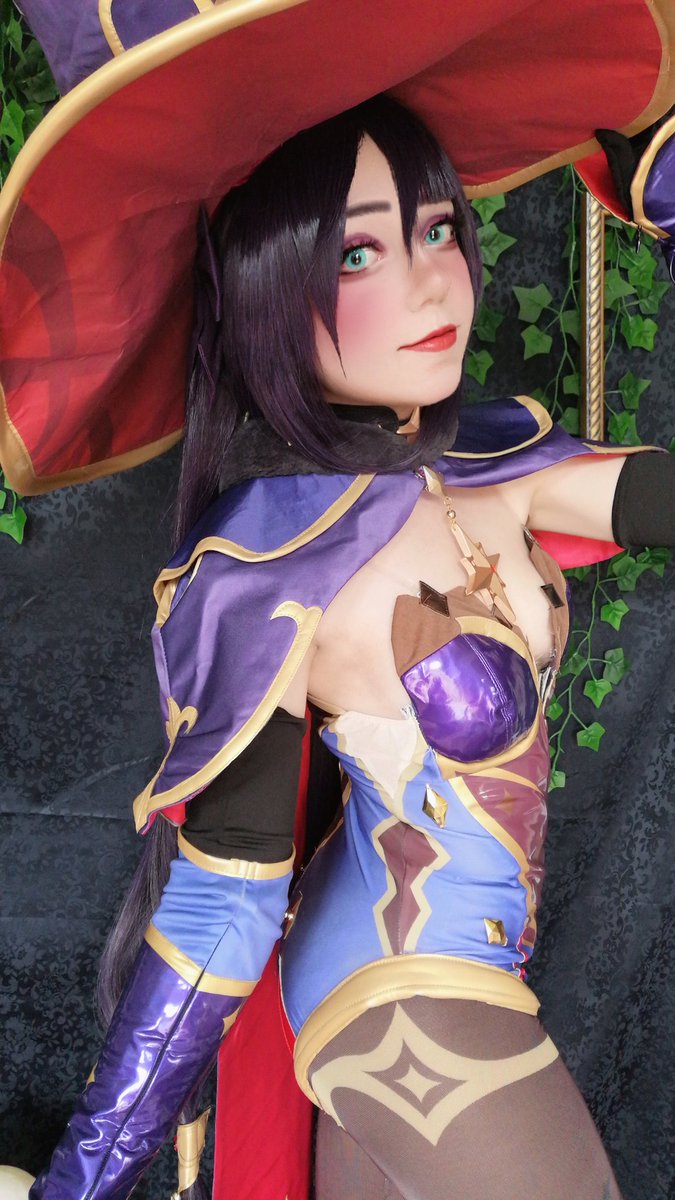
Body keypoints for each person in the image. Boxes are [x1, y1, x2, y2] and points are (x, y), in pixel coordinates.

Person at [19, 93, 675, 1200]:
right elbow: (225, 900)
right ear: (270, 293)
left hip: (452, 977)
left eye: (437, 230)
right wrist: (85, 1179)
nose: (430, 284)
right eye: (358, 253)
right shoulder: (265, 563)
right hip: (399, 995)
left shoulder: (497, 467)